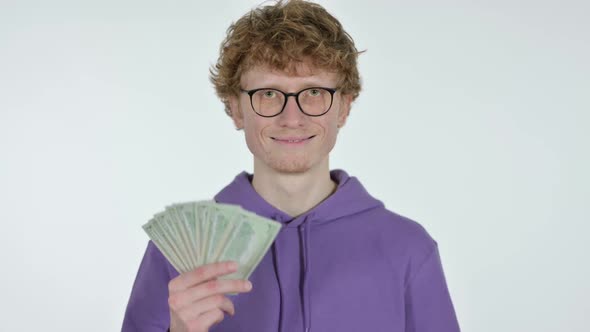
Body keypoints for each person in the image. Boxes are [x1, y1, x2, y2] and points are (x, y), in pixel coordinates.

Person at [122, 1, 461, 331]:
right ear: (237, 109)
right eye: (269, 94)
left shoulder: (409, 249)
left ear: (343, 107)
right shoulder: (179, 251)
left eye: (313, 92)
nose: (292, 117)